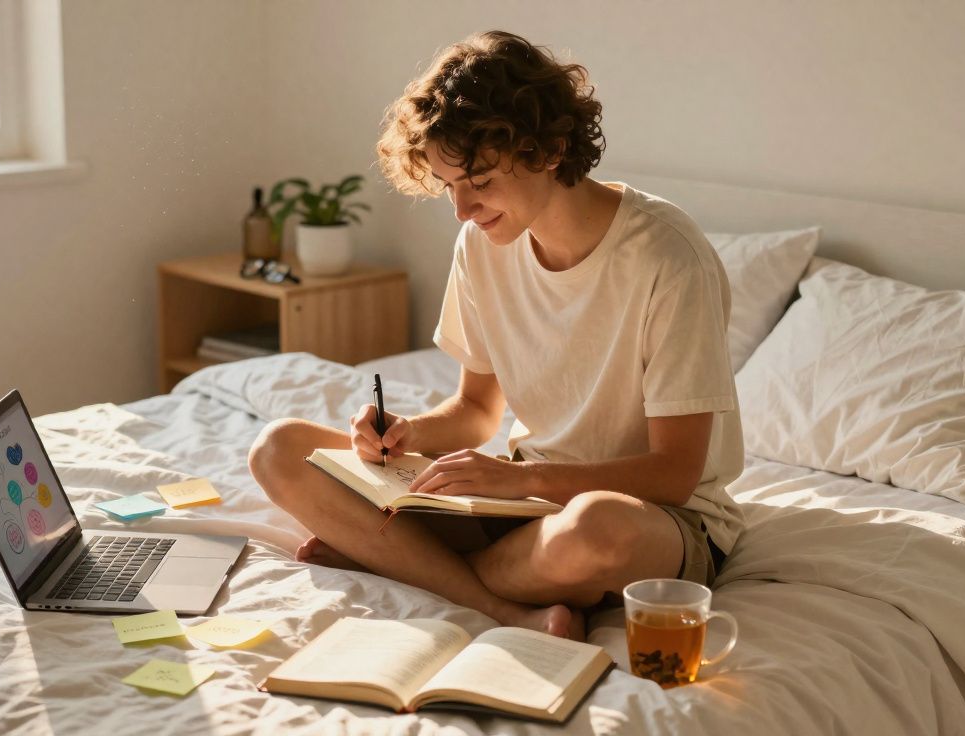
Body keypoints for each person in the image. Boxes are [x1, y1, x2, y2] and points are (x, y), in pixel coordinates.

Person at [248, 30, 743, 640]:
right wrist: (405, 434)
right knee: (279, 448)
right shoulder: (482, 244)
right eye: (448, 186)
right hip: (514, 508)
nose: (462, 209)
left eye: (480, 183)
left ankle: (399, 562)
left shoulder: (668, 258)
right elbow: (478, 410)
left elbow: (674, 474)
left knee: (595, 529)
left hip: (649, 518)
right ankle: (502, 604)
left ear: (551, 149)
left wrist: (522, 480)